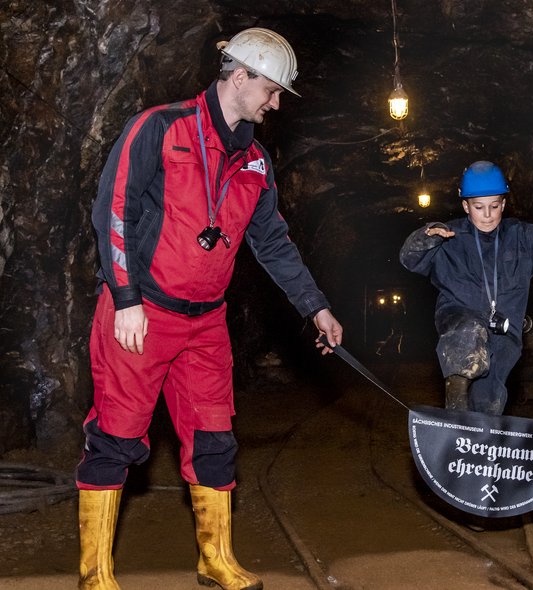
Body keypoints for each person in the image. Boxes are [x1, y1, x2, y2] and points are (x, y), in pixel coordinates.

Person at [76, 28, 343, 590]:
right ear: (239, 76)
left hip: (205, 322)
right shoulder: (160, 127)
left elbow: (272, 242)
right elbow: (113, 210)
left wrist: (315, 306)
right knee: (117, 439)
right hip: (141, 313)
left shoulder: (255, 163)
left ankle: (214, 560)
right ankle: (95, 575)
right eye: (271, 89)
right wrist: (125, 298)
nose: (275, 103)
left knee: (215, 440)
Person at [400, 161, 533, 415]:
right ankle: (457, 397)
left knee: (489, 397)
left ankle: (480, 441)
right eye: (479, 207)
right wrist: (427, 236)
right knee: (468, 331)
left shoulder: (519, 235)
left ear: (503, 204)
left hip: (505, 330)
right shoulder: (449, 236)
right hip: (459, 316)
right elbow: (409, 259)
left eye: (494, 206)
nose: (488, 214)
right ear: (465, 206)